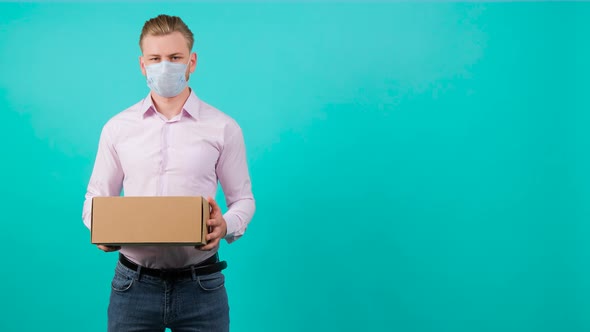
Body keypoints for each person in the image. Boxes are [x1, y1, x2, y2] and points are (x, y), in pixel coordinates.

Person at [81, 14, 255, 332]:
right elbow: (94, 199)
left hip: (201, 284)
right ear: (142, 64)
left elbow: (243, 199)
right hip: (132, 285)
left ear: (192, 62)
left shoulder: (223, 127)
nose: (165, 66)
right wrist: (101, 230)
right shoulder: (118, 128)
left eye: (175, 57)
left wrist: (225, 225)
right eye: (155, 58)